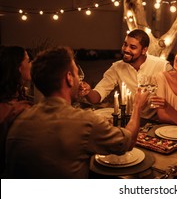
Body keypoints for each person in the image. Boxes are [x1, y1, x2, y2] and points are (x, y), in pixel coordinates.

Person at [5, 46, 149, 178]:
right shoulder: (85, 121)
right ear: (69, 78)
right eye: (75, 74)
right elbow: (127, 142)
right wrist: (137, 107)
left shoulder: (19, 119)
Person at [80, 29, 177, 120]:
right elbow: (96, 98)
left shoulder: (161, 66)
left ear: (144, 50)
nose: (126, 49)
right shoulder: (117, 68)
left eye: (132, 47)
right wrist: (87, 91)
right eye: (125, 45)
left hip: (153, 123)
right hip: (126, 120)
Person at [0, 46, 33, 175]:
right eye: (29, 61)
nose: (32, 64)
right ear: (19, 68)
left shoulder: (18, 95)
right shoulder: (9, 109)